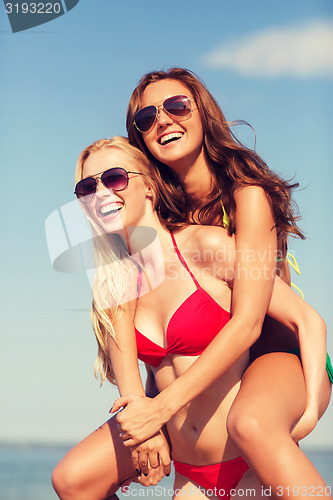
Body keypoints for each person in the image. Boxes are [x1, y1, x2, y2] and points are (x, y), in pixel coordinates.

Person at [52, 137, 332, 500]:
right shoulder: (113, 283)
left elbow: (306, 320)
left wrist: (308, 415)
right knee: (72, 481)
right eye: (87, 187)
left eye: (115, 178)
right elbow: (134, 398)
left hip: (248, 461)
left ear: (149, 186)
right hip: (191, 476)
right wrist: (147, 432)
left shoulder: (208, 247)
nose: (101, 192)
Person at [113, 68, 333, 489]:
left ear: (203, 113)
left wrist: (309, 408)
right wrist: (149, 411)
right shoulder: (162, 219)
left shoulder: (246, 196)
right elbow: (165, 331)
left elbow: (256, 322)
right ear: (140, 139)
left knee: (250, 423)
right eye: (146, 118)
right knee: (74, 478)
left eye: (177, 106)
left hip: (279, 354)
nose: (163, 120)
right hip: (224, 374)